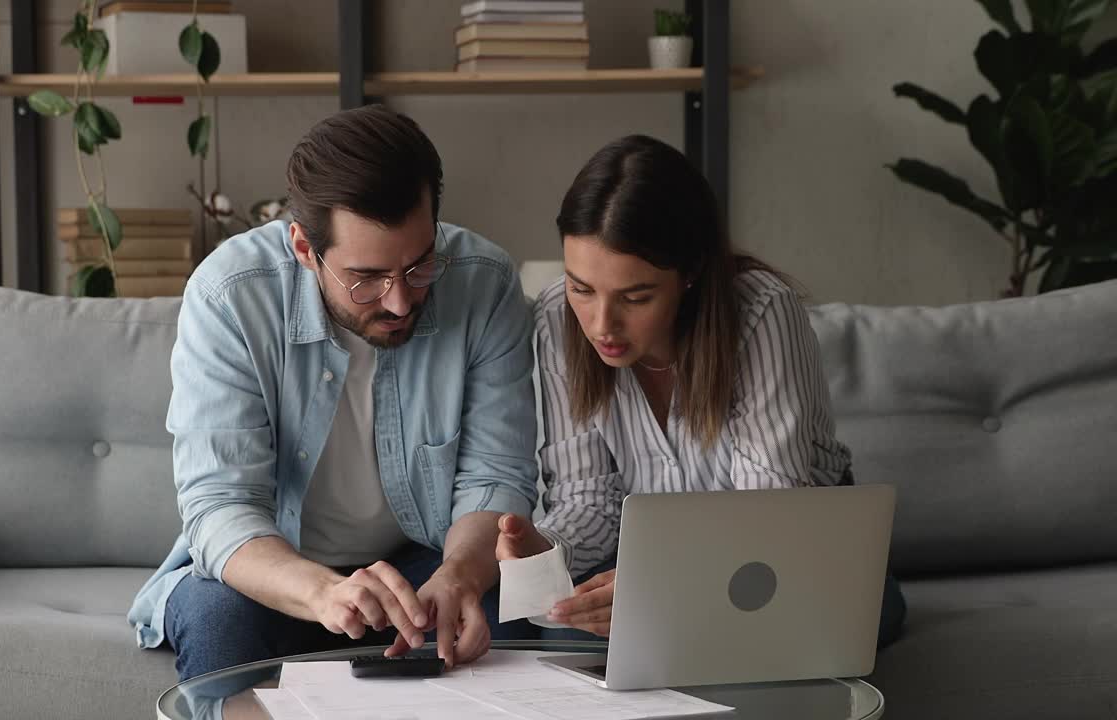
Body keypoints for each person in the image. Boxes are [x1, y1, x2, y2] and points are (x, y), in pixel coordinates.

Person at [128, 105, 540, 681]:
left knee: (514, 626)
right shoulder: (229, 297)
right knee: (221, 623)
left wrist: (460, 576)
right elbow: (220, 505)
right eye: (367, 277)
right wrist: (322, 592)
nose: (400, 301)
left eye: (419, 265)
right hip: (282, 569)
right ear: (303, 247)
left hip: (423, 558)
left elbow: (496, 477)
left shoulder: (485, 283)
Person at [496, 134, 905, 646]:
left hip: (801, 552)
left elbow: (770, 508)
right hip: (658, 561)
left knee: (778, 644)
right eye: (582, 288)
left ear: (689, 274)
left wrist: (666, 583)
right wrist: (545, 549)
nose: (602, 324)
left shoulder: (759, 313)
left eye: (636, 296)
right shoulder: (558, 316)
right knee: (561, 641)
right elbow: (589, 497)